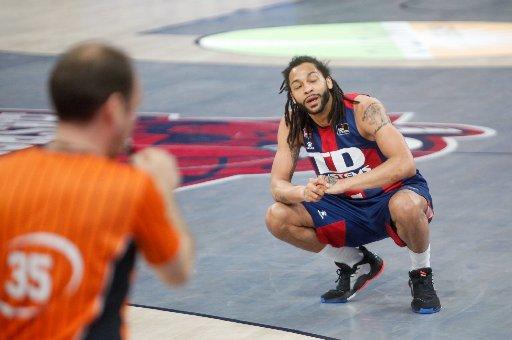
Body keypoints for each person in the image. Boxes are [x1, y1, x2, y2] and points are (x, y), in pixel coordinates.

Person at [0, 42, 194, 339]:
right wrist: (163, 191)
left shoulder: (6, 172)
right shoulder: (129, 188)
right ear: (114, 109)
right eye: (133, 110)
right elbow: (177, 270)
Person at [265, 56, 441, 314]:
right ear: (293, 96)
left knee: (406, 205)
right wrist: (303, 191)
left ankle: (421, 273)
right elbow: (277, 185)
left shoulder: (363, 109)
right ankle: (357, 262)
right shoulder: (293, 123)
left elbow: (405, 163)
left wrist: (346, 182)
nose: (308, 89)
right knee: (276, 216)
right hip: (344, 208)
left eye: (312, 80)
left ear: (328, 81)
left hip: (388, 199)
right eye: (298, 86)